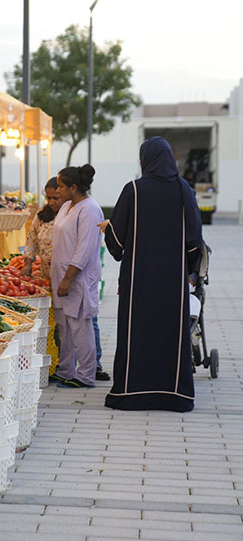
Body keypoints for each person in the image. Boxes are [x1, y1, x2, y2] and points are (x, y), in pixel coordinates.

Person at [100, 137, 202, 412]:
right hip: (172, 281)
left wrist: (108, 229)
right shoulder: (184, 190)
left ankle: (131, 393)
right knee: (171, 333)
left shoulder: (134, 190)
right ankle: (174, 395)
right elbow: (194, 242)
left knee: (137, 332)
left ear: (145, 160)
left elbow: (118, 243)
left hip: (139, 280)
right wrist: (187, 269)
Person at [50, 165, 104, 388]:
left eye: (61, 186)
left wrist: (68, 278)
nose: (57, 190)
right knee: (64, 326)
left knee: (81, 326)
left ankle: (86, 374)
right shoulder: (66, 207)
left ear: (73, 188)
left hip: (77, 278)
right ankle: (66, 369)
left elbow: (85, 249)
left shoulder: (90, 209)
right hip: (60, 275)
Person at [22, 177, 61, 280]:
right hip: (45, 275)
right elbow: (31, 240)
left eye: (56, 198)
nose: (51, 202)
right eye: (49, 198)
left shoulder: (70, 214)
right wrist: (28, 265)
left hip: (64, 276)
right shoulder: (42, 214)